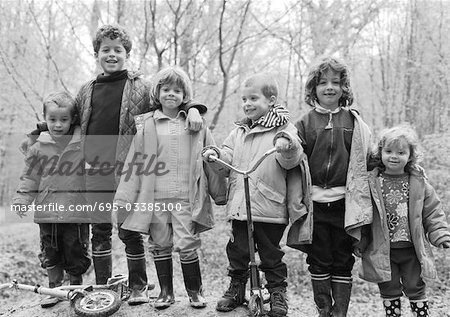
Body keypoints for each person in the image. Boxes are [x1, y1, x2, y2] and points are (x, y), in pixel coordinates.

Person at [21, 24, 207, 304]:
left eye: (117, 50)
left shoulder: (141, 88)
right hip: (93, 171)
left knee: (130, 229)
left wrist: (194, 108)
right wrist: (43, 132)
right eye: (105, 50)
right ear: (96, 53)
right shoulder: (87, 90)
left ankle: (138, 286)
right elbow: (67, 119)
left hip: (128, 171)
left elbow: (171, 101)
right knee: (100, 230)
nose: (111, 54)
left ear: (126, 53)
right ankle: (102, 286)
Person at [113, 66, 227, 309]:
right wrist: (124, 196)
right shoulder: (147, 126)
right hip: (155, 198)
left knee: (187, 243)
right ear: (158, 92)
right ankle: (165, 292)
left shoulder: (196, 124)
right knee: (160, 243)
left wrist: (220, 193)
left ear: (185, 96)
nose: (171, 94)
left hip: (185, 197)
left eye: (177, 90)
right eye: (166, 90)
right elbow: (135, 162)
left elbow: (211, 158)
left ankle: (194, 292)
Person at [203, 73, 310, 317]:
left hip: (269, 206)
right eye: (244, 99)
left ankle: (277, 292)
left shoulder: (284, 129)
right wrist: (215, 156)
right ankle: (237, 288)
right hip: (241, 205)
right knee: (238, 250)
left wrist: (287, 145)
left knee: (271, 253)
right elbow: (227, 158)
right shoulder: (238, 132)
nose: (247, 104)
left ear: (271, 100)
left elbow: (292, 158)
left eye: (253, 98)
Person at [291, 56, 372, 317]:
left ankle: (340, 312)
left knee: (343, 258)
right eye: (323, 82)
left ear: (344, 88)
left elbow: (366, 156)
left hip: (345, 205)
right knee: (318, 258)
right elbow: (291, 156)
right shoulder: (304, 122)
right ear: (313, 88)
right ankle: (324, 310)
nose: (329, 87)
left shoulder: (354, 122)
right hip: (314, 205)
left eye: (336, 82)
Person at [354, 125, 450, 317]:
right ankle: (393, 314)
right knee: (388, 288)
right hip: (383, 249)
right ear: (380, 153)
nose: (394, 156)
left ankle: (421, 314)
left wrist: (440, 234)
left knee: (416, 286)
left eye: (401, 152)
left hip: (412, 249)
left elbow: (433, 212)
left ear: (411, 155)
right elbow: (364, 215)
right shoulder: (373, 183)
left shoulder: (418, 182)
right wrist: (360, 240)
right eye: (388, 151)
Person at [12, 91, 90, 308]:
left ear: (72, 119)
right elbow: (30, 177)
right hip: (47, 211)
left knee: (76, 251)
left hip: (76, 212)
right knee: (50, 251)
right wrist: (22, 200)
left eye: (64, 120)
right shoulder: (38, 147)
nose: (58, 124)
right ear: (44, 119)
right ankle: (54, 289)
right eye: (52, 119)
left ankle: (76, 288)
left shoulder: (82, 144)